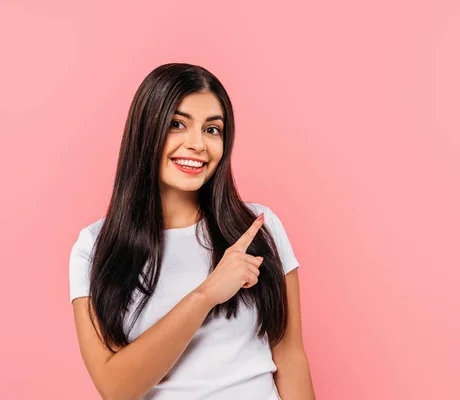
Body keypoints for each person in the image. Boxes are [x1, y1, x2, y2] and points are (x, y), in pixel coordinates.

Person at [68, 63, 316, 399]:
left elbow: (290, 359)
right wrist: (207, 294)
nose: (197, 144)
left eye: (212, 130)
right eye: (177, 124)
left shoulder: (257, 226)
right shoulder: (96, 248)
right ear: (146, 130)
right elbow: (116, 389)